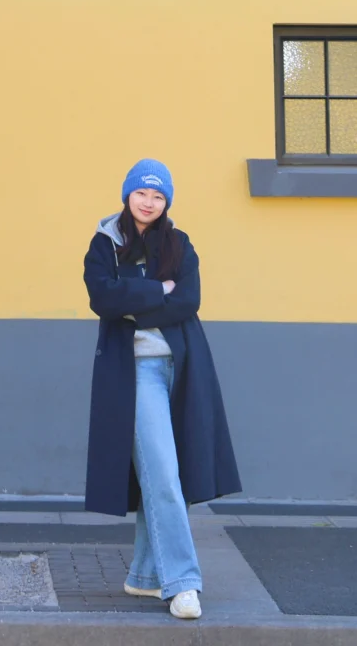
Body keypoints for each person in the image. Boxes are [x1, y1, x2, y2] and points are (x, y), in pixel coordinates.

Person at [83, 159, 240, 620]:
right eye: (141, 193)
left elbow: (188, 300)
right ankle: (183, 582)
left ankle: (145, 577)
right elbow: (102, 299)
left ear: (166, 201)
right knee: (165, 474)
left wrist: (134, 297)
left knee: (167, 472)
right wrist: (157, 290)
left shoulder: (179, 243)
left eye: (158, 196)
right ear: (127, 195)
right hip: (135, 373)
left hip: (183, 368)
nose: (149, 202)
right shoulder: (104, 243)